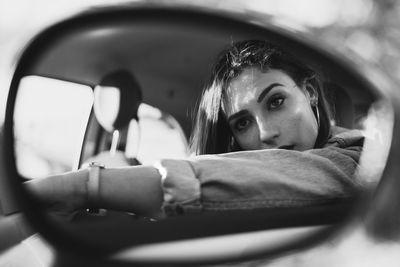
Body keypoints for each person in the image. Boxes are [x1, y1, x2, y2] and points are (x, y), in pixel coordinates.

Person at [25, 40, 364, 220]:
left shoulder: (358, 157)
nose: (265, 134)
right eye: (242, 123)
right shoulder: (242, 184)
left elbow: (297, 173)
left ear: (308, 93)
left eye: (275, 102)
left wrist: (84, 185)